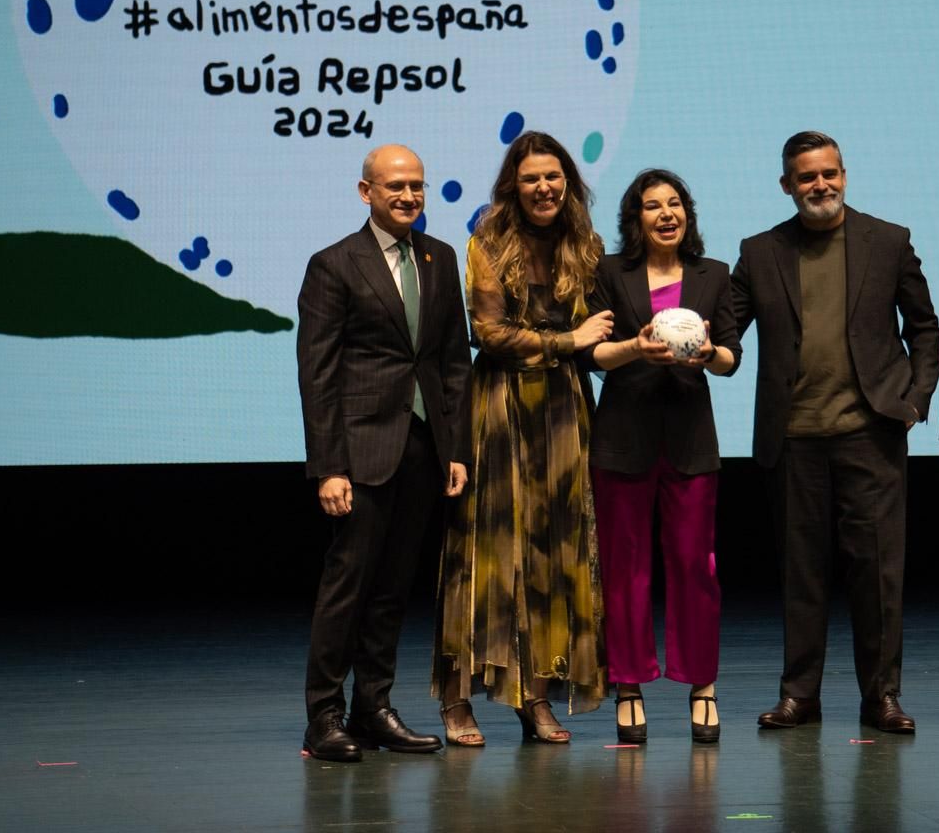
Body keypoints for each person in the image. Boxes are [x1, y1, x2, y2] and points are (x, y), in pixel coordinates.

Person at [732, 130, 939, 733]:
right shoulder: (760, 251)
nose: (820, 184)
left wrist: (914, 401)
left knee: (878, 574)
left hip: (870, 434)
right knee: (802, 573)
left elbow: (926, 330)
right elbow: (727, 331)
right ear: (786, 185)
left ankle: (882, 697)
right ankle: (800, 695)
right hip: (793, 437)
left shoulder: (889, 240)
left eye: (829, 173)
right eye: (806, 177)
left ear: (844, 174)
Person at [432, 131, 612, 745]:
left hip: (564, 410)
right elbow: (489, 331)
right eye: (532, 177)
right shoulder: (489, 241)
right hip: (500, 408)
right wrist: (569, 341)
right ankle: (457, 700)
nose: (544, 187)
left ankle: (534, 696)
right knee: (486, 554)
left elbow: (599, 333)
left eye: (554, 177)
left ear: (568, 182)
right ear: (514, 184)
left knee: (553, 554)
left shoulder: (584, 243)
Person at [296, 143, 472, 763]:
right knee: (349, 584)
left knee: (395, 588)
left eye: (417, 186)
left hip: (424, 450)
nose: (408, 196)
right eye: (395, 186)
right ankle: (324, 717)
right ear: (365, 191)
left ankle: (374, 707)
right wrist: (329, 466)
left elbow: (452, 360)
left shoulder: (440, 258)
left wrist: (455, 448)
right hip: (362, 451)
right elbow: (317, 374)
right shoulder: (335, 264)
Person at [582, 169, 742, 744]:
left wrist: (711, 355)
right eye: (653, 206)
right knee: (626, 569)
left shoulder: (713, 274)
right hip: (622, 438)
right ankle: (628, 684)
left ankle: (701, 683)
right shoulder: (608, 273)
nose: (666, 213)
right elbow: (592, 354)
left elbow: (731, 355)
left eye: (676, 203)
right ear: (636, 219)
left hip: (691, 439)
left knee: (696, 565)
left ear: (687, 214)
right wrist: (635, 348)